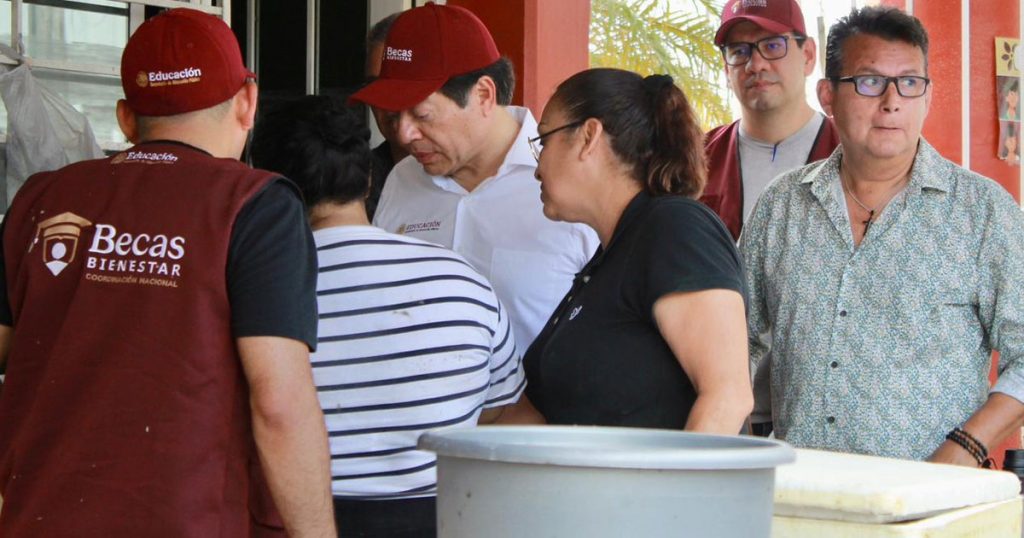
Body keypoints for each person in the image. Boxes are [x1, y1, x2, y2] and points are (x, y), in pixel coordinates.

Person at [0, 9, 334, 536]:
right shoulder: (253, 205)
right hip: (189, 518)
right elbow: (280, 402)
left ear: (126, 118)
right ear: (248, 102)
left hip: (37, 516)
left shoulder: (40, 199)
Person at [742, 6, 1024, 464]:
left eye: (910, 83)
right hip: (805, 498)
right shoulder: (782, 207)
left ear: (927, 98)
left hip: (934, 508)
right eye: (870, 81)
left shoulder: (983, 212)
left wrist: (963, 451)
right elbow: (737, 340)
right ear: (828, 95)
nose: (892, 101)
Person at [251, 95, 525, 538]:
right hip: (444, 519)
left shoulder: (255, 290)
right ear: (368, 180)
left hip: (296, 518)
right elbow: (509, 414)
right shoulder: (462, 278)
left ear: (267, 187)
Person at [508, 68, 752, 432]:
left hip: (659, 487)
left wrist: (670, 489)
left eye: (543, 140)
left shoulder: (675, 229)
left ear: (589, 136)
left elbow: (727, 397)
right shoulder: (611, 255)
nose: (537, 167)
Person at [350, 3, 599, 351]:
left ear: (483, 94)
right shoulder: (401, 180)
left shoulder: (573, 182)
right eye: (395, 113)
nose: (404, 133)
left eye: (422, 114)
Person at [703, 0, 840, 241]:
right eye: (739, 51)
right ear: (726, 68)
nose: (755, 64)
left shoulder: (852, 153)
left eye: (773, 45)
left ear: (808, 56)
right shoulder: (697, 158)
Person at [364, 12, 408, 217]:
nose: (386, 99)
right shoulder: (358, 180)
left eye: (398, 85)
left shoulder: (477, 175)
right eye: (375, 86)